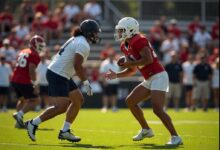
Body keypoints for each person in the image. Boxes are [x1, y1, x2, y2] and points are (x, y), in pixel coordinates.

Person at [105, 17, 182, 145]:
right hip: (149, 78)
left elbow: (149, 59)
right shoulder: (125, 45)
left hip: (158, 75)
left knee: (157, 109)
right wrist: (117, 75)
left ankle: (175, 137)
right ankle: (146, 129)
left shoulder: (138, 40)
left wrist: (130, 63)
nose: (119, 33)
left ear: (130, 30)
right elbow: (132, 70)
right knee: (130, 101)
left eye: (122, 30)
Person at [25, 19, 101, 142]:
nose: (96, 35)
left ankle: (65, 131)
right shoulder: (82, 43)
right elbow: (77, 65)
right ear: (88, 32)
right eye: (95, 32)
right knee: (61, 107)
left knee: (78, 100)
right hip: (58, 74)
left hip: (62, 74)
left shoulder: (77, 39)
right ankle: (33, 123)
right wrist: (86, 82)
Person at [11, 35, 46, 128]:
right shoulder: (34, 54)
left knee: (22, 100)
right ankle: (19, 114)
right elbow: (31, 69)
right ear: (34, 45)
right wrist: (35, 83)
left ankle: (18, 123)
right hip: (24, 80)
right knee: (36, 100)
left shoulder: (23, 51)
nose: (41, 47)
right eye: (39, 45)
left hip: (15, 79)